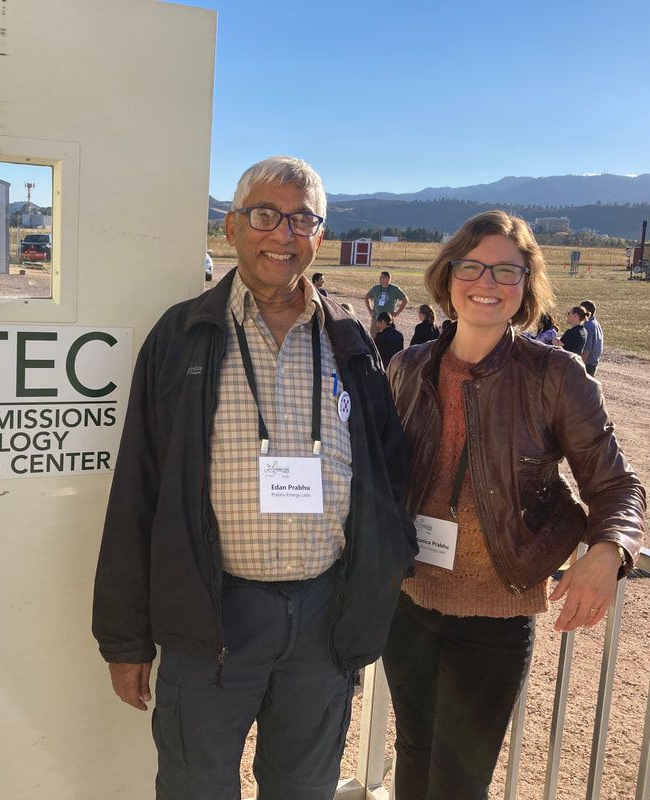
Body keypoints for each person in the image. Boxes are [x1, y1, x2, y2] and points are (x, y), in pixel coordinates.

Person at [92, 156, 416, 800]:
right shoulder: (182, 337)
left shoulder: (351, 342)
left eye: (302, 220)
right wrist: (125, 639)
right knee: (195, 787)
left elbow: (388, 474)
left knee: (303, 788)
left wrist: (379, 580)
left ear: (319, 237)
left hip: (323, 621)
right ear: (233, 226)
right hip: (211, 618)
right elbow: (138, 490)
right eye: (265, 215)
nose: (282, 234)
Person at [384, 210, 645, 800]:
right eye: (473, 266)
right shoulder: (407, 368)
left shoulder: (555, 376)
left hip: (495, 615)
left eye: (508, 270)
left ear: (527, 285)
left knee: (458, 780)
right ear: (447, 276)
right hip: (408, 603)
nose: (488, 282)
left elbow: (617, 485)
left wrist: (608, 552)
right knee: (412, 753)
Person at [581, 299, 604, 376]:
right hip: (593, 363)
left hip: (587, 364)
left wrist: (580, 365)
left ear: (586, 312)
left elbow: (586, 348)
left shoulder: (588, 326)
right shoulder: (596, 324)